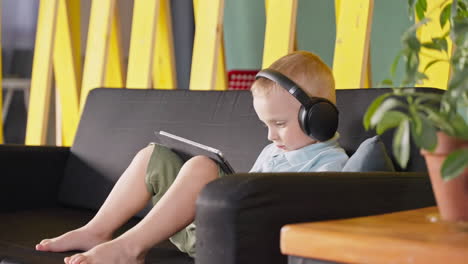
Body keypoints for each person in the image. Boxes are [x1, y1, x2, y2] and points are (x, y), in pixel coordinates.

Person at [35, 50, 349, 264]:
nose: (270, 136)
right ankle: (97, 230)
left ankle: (129, 249)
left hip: (248, 244)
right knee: (153, 155)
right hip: (212, 229)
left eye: (279, 124)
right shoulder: (274, 150)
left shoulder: (331, 165)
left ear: (319, 118)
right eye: (266, 125)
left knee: (202, 166)